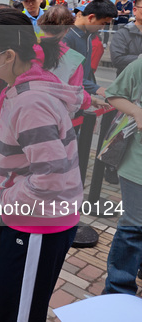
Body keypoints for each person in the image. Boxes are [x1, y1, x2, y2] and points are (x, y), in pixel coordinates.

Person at [0, 8, 83, 322]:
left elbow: (49, 180)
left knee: (19, 312)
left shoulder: (31, 101)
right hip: (26, 217)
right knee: (11, 303)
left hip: (38, 224)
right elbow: (23, 151)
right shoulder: (18, 87)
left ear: (7, 55)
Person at [103, 54, 142, 296]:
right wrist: (137, 112)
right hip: (137, 165)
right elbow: (114, 94)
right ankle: (118, 290)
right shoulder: (139, 65)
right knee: (134, 227)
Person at [62, 0, 116, 98]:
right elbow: (67, 74)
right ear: (91, 17)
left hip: (80, 95)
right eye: (103, 23)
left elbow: (86, 70)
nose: (102, 28)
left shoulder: (88, 35)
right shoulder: (67, 38)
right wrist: (96, 89)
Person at [110, 0, 142, 76]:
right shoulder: (122, 33)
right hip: (130, 84)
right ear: (135, 10)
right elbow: (117, 60)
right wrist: (139, 58)